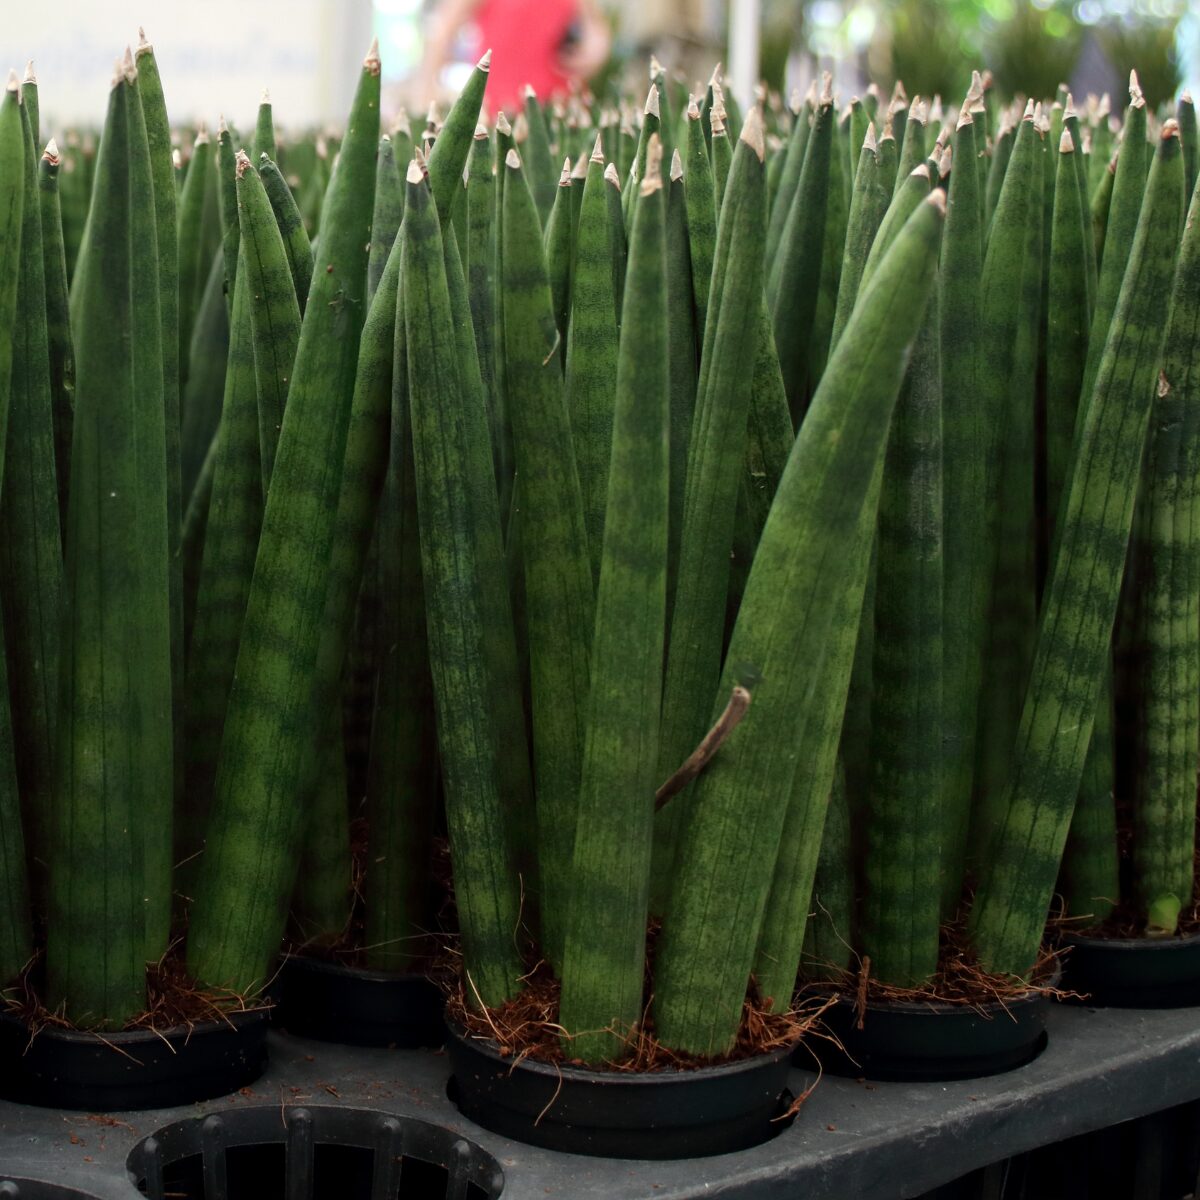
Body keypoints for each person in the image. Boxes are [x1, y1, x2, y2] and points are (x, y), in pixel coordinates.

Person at [416, 0, 612, 115]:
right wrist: (426, 91)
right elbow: (442, 30)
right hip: (501, 111)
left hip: (560, 108)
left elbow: (596, 34)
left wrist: (593, 53)